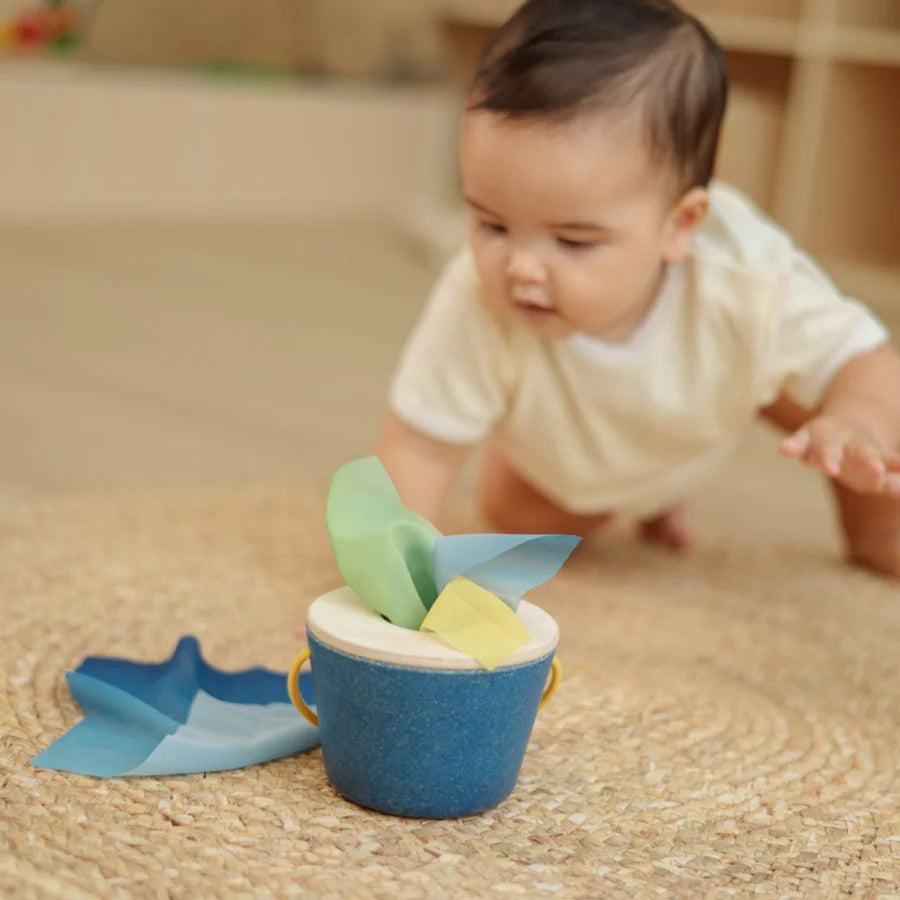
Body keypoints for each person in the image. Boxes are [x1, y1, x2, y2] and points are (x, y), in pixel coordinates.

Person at [376, 0, 900, 576]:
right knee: (515, 516)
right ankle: (638, 494)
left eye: (573, 241)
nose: (521, 268)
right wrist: (396, 584)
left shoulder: (746, 277)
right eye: (491, 225)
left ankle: (880, 534)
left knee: (859, 420)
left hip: (719, 388)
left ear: (681, 225)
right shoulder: (476, 299)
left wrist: (859, 419)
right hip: (574, 456)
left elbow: (865, 357)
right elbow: (419, 449)